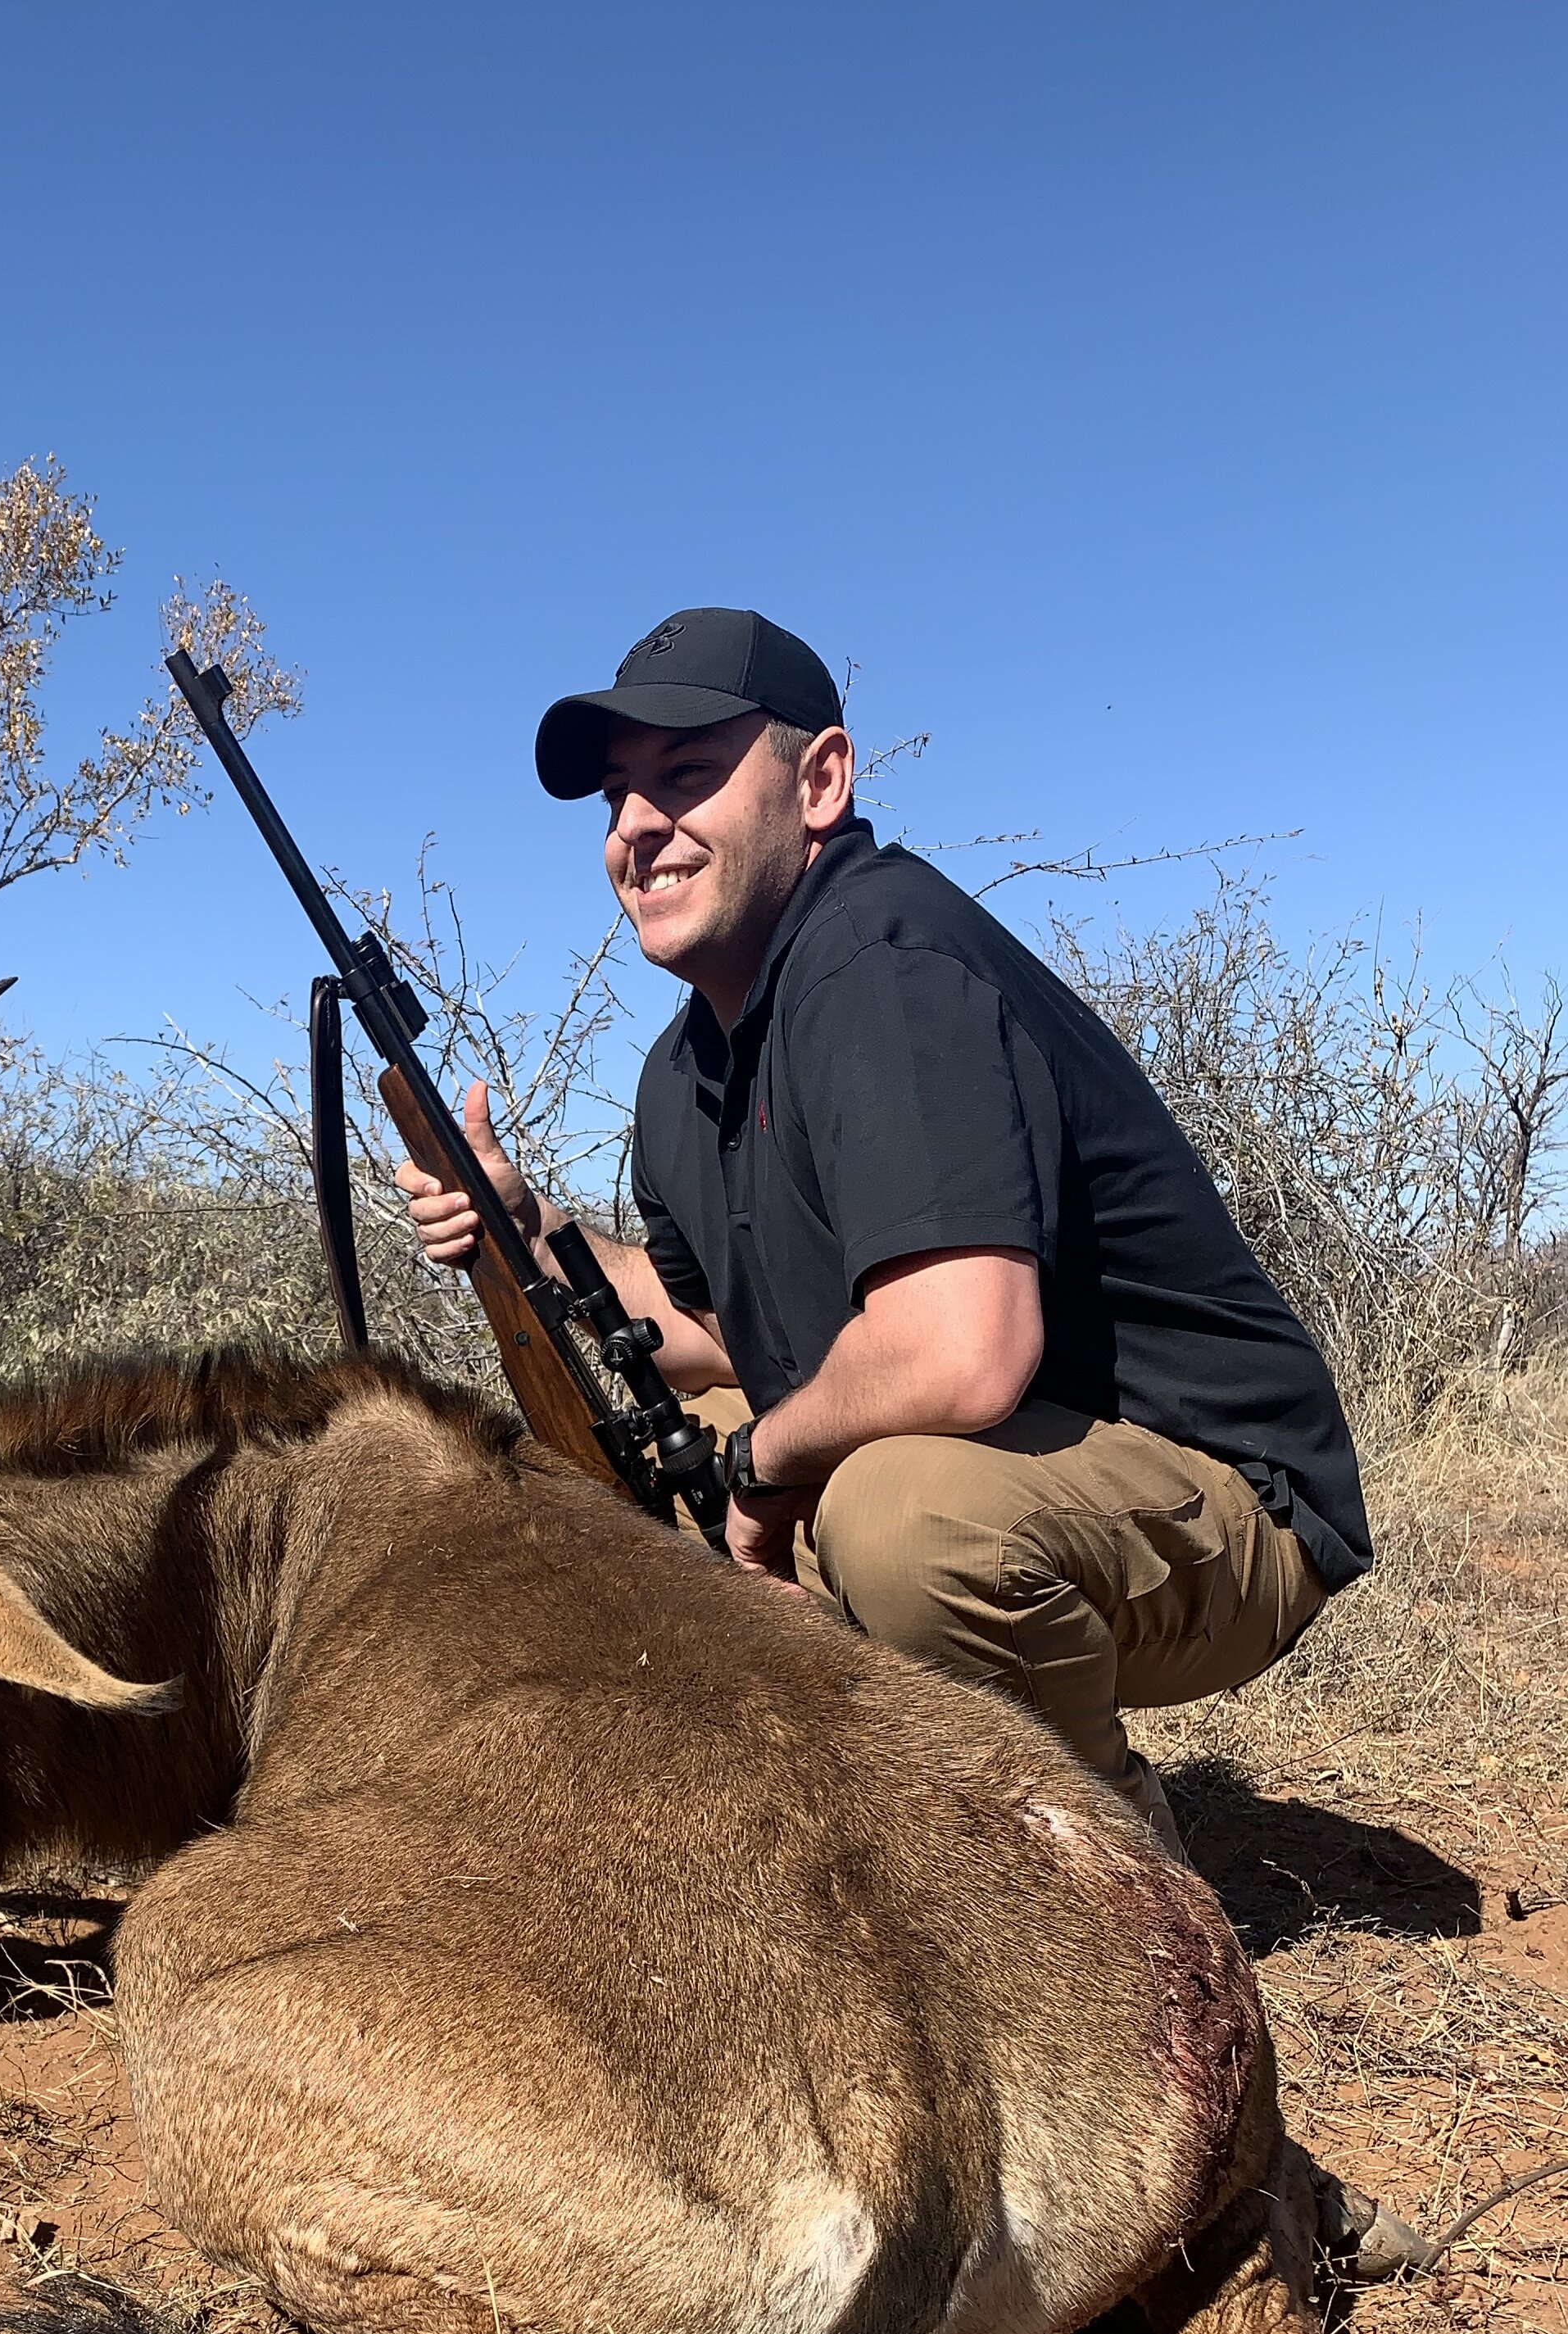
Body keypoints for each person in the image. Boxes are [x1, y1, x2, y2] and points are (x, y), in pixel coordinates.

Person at [400, 606, 1374, 1868]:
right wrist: (528, 1230)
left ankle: (1110, 1892)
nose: (637, 828)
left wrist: (759, 1472)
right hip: (1010, 1457)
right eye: (617, 799)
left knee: (903, 1524)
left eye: (687, 776)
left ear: (819, 781)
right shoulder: (679, 1068)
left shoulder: (881, 956)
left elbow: (961, 1354)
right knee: (618, 1487)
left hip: (1224, 1497)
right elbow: (703, 1326)